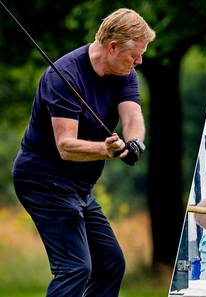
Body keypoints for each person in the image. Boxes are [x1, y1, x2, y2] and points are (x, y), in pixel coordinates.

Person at [12, 8, 155, 296]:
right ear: (113, 47)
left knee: (110, 264)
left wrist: (134, 142)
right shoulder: (64, 77)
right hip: (42, 181)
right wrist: (106, 150)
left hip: (79, 187)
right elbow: (66, 146)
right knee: (74, 268)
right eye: (134, 55)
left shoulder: (124, 72)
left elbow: (132, 117)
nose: (139, 61)